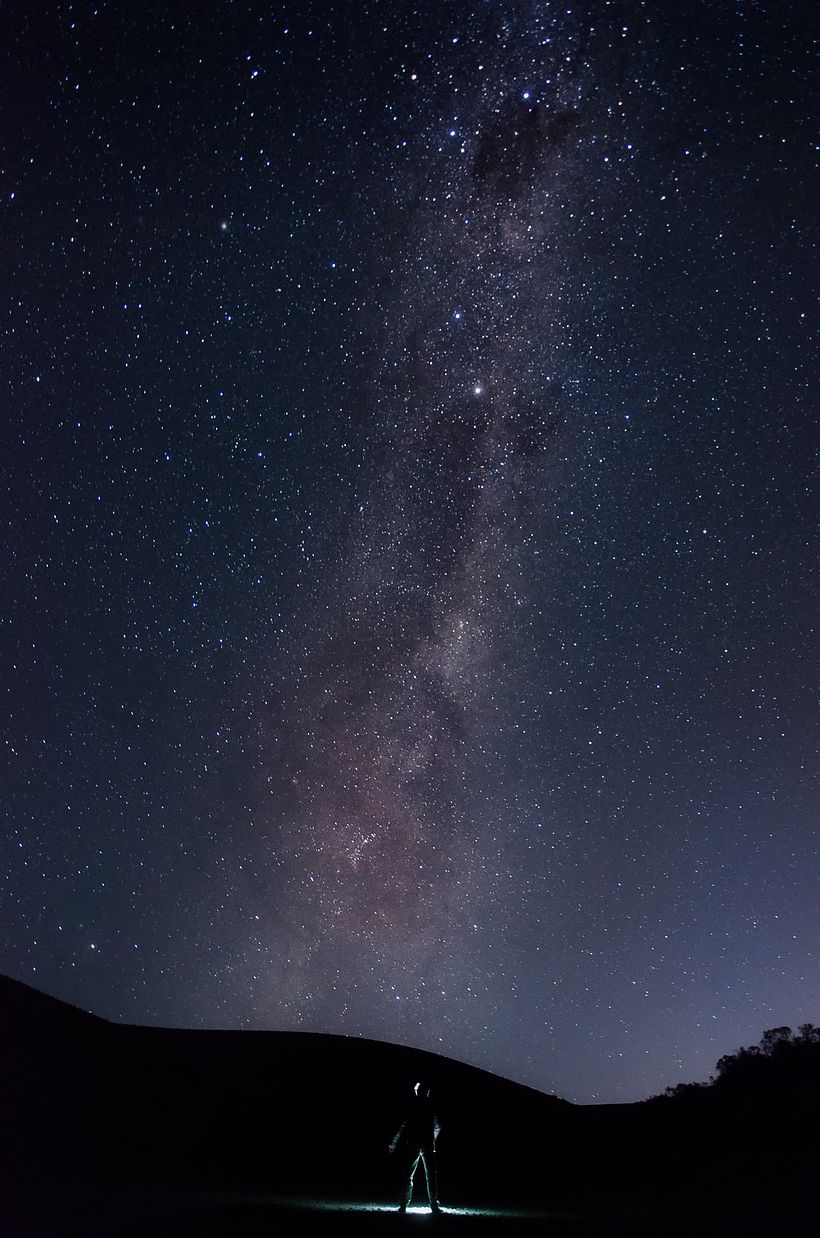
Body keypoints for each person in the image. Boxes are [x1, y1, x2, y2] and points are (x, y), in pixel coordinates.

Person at [389, 1080, 442, 1214]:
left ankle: (403, 1205)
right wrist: (431, 1140)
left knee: (408, 1174)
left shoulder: (413, 1105)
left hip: (413, 1142)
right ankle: (434, 1205)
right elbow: (437, 1126)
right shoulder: (430, 1105)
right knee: (430, 1175)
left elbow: (403, 1125)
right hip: (427, 1143)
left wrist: (395, 1141)